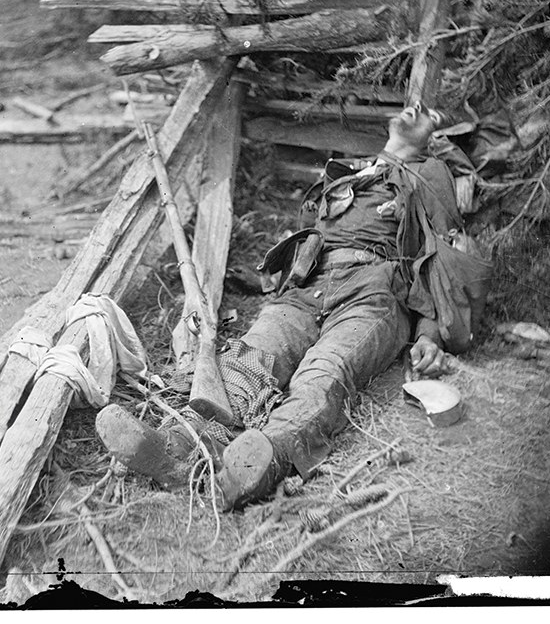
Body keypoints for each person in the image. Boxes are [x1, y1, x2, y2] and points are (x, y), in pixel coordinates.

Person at [96, 103, 483, 511]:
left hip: (374, 293)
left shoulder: (431, 174)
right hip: (308, 284)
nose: (413, 109)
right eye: (410, 105)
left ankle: (260, 460)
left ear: (434, 137)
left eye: (428, 113)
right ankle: (174, 447)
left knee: (325, 372)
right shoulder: (354, 173)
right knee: (252, 355)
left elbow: (444, 261)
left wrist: (426, 334)